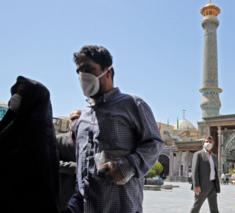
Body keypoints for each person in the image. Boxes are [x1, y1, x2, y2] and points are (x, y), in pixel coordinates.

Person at [70, 45, 164, 213]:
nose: (83, 76)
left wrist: (126, 166)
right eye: (79, 71)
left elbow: (154, 143)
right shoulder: (82, 118)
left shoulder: (133, 105)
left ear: (108, 72)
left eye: (89, 69)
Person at [0, 76, 60, 213]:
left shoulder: (42, 141)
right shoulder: (8, 126)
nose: (16, 96)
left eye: (22, 93)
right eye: (17, 91)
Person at [56, 110, 81, 212]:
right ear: (69, 121)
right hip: (65, 193)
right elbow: (52, 163)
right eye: (73, 118)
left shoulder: (89, 141)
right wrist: (75, 167)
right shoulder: (58, 140)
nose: (76, 121)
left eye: (79, 119)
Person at [190, 136, 220, 213]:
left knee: (214, 208)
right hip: (202, 186)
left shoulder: (214, 156)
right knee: (196, 207)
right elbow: (194, 171)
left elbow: (215, 171)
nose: (208, 143)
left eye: (210, 142)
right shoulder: (198, 154)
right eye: (206, 141)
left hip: (212, 185)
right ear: (203, 143)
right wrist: (196, 185)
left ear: (213, 144)